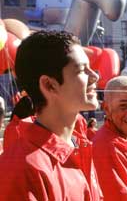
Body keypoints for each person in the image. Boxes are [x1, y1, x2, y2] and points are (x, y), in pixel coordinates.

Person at [0, 31, 102, 200]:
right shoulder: (23, 168)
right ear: (49, 85)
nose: (95, 76)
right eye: (82, 70)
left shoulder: (79, 147)